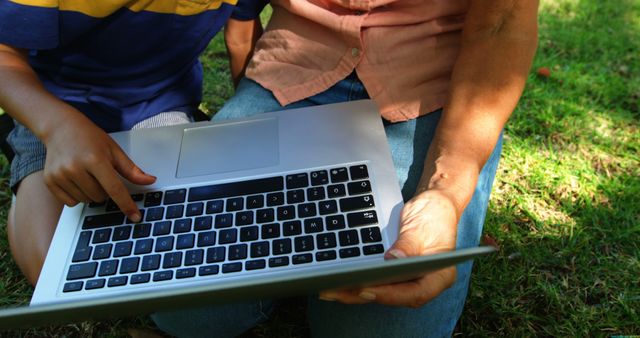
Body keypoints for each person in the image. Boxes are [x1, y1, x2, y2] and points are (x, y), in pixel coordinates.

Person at [152, 0, 539, 337]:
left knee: (380, 321)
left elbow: (502, 19)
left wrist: (445, 191)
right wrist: (254, 117)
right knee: (183, 307)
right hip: (291, 65)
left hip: (435, 83)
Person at [0, 0, 263, 286]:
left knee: (176, 243)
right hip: (53, 105)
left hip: (159, 105)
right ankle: (26, 169)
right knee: (55, 273)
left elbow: (241, 38)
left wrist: (250, 131)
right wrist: (56, 126)